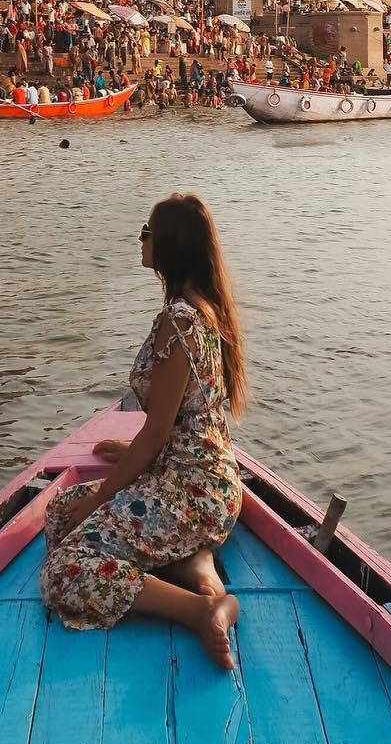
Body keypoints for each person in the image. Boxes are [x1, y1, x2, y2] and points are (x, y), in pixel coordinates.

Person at [40, 193, 247, 669]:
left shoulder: (180, 320)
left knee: (63, 572)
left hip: (193, 491)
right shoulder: (199, 309)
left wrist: (100, 498)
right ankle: (200, 570)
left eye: (147, 232)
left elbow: (156, 433)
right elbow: (177, 425)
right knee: (60, 511)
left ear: (169, 245)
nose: (141, 240)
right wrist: (125, 457)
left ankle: (201, 610)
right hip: (200, 482)